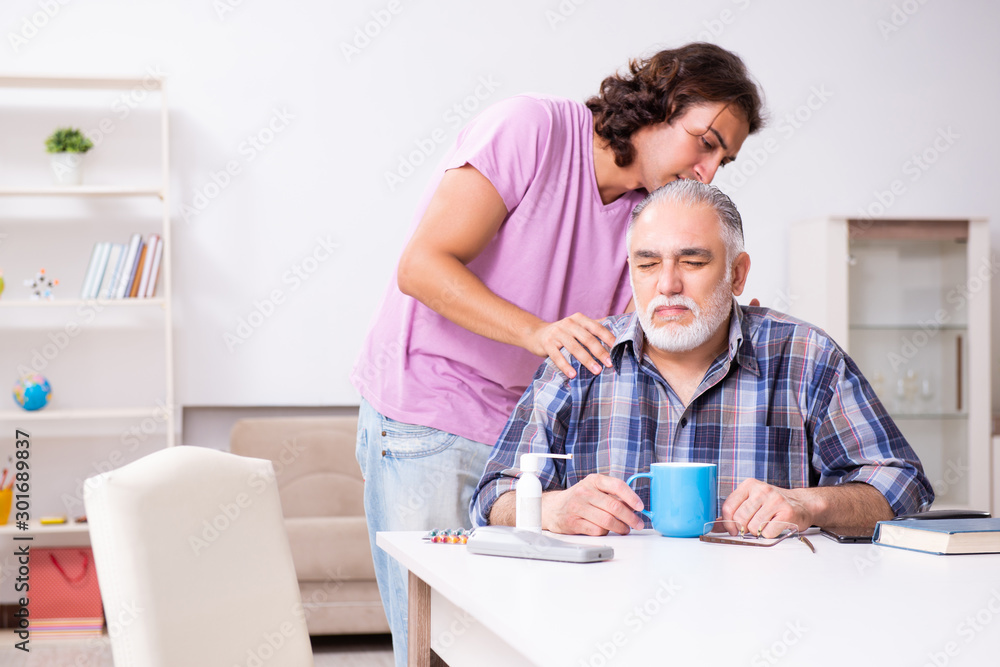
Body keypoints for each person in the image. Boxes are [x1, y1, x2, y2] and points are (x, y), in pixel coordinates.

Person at [352, 43, 765, 663]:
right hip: (430, 417)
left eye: (723, 160)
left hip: (525, 445)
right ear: (663, 101)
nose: (708, 171)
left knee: (510, 642)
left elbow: (639, 334)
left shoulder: (647, 218)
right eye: (705, 142)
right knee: (437, 644)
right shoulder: (532, 130)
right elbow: (422, 266)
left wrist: (720, 314)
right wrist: (537, 333)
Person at [471, 180, 934, 537]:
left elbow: (904, 486)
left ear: (737, 274)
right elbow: (492, 495)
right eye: (647, 264)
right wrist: (547, 509)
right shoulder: (579, 359)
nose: (667, 285)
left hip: (760, 610)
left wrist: (809, 504)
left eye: (692, 262)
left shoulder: (805, 356)